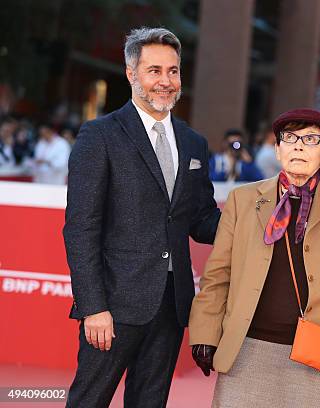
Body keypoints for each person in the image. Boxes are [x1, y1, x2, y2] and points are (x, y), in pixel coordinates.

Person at [63, 27, 221, 407]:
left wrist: (260, 214)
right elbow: (81, 228)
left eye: (173, 71)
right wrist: (93, 307)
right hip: (113, 305)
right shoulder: (99, 136)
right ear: (132, 74)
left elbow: (200, 220)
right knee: (89, 400)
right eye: (154, 71)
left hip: (171, 304)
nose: (165, 81)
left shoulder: (194, 142)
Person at [189, 108, 320, 407]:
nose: (299, 146)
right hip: (246, 347)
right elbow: (218, 273)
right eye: (290, 138)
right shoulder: (244, 199)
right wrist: (205, 331)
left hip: (317, 350)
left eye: (311, 139)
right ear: (277, 150)